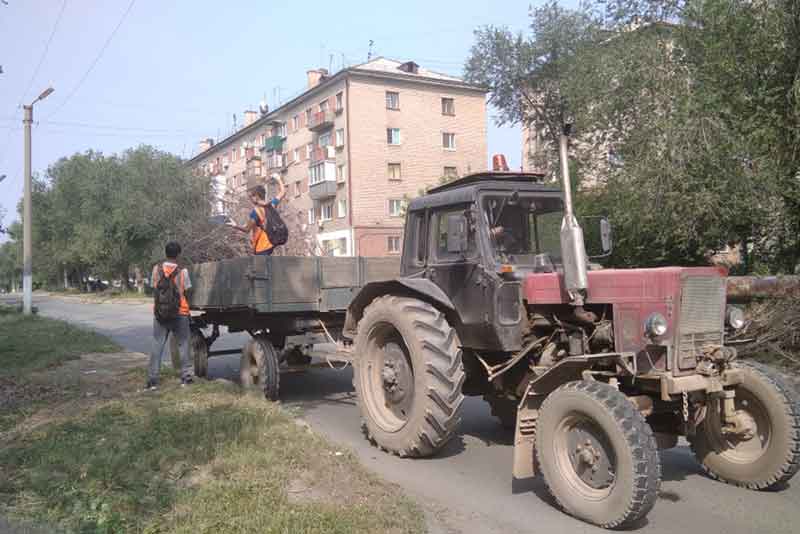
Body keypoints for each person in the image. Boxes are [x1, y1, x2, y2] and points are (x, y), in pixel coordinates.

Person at [146, 241, 193, 390]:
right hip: (180, 312)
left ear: (165, 253)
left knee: (157, 344)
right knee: (184, 344)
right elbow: (186, 290)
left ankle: (153, 380)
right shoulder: (182, 271)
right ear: (178, 254)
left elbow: (154, 287)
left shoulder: (156, 269)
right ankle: (186, 378)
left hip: (160, 313)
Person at [229, 175, 286, 255]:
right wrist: (278, 179)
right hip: (270, 244)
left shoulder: (256, 212)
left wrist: (234, 225)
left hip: (261, 247)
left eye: (251, 197)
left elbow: (246, 229)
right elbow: (282, 192)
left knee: (259, 267)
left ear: (256, 197)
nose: (250, 199)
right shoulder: (271, 205)